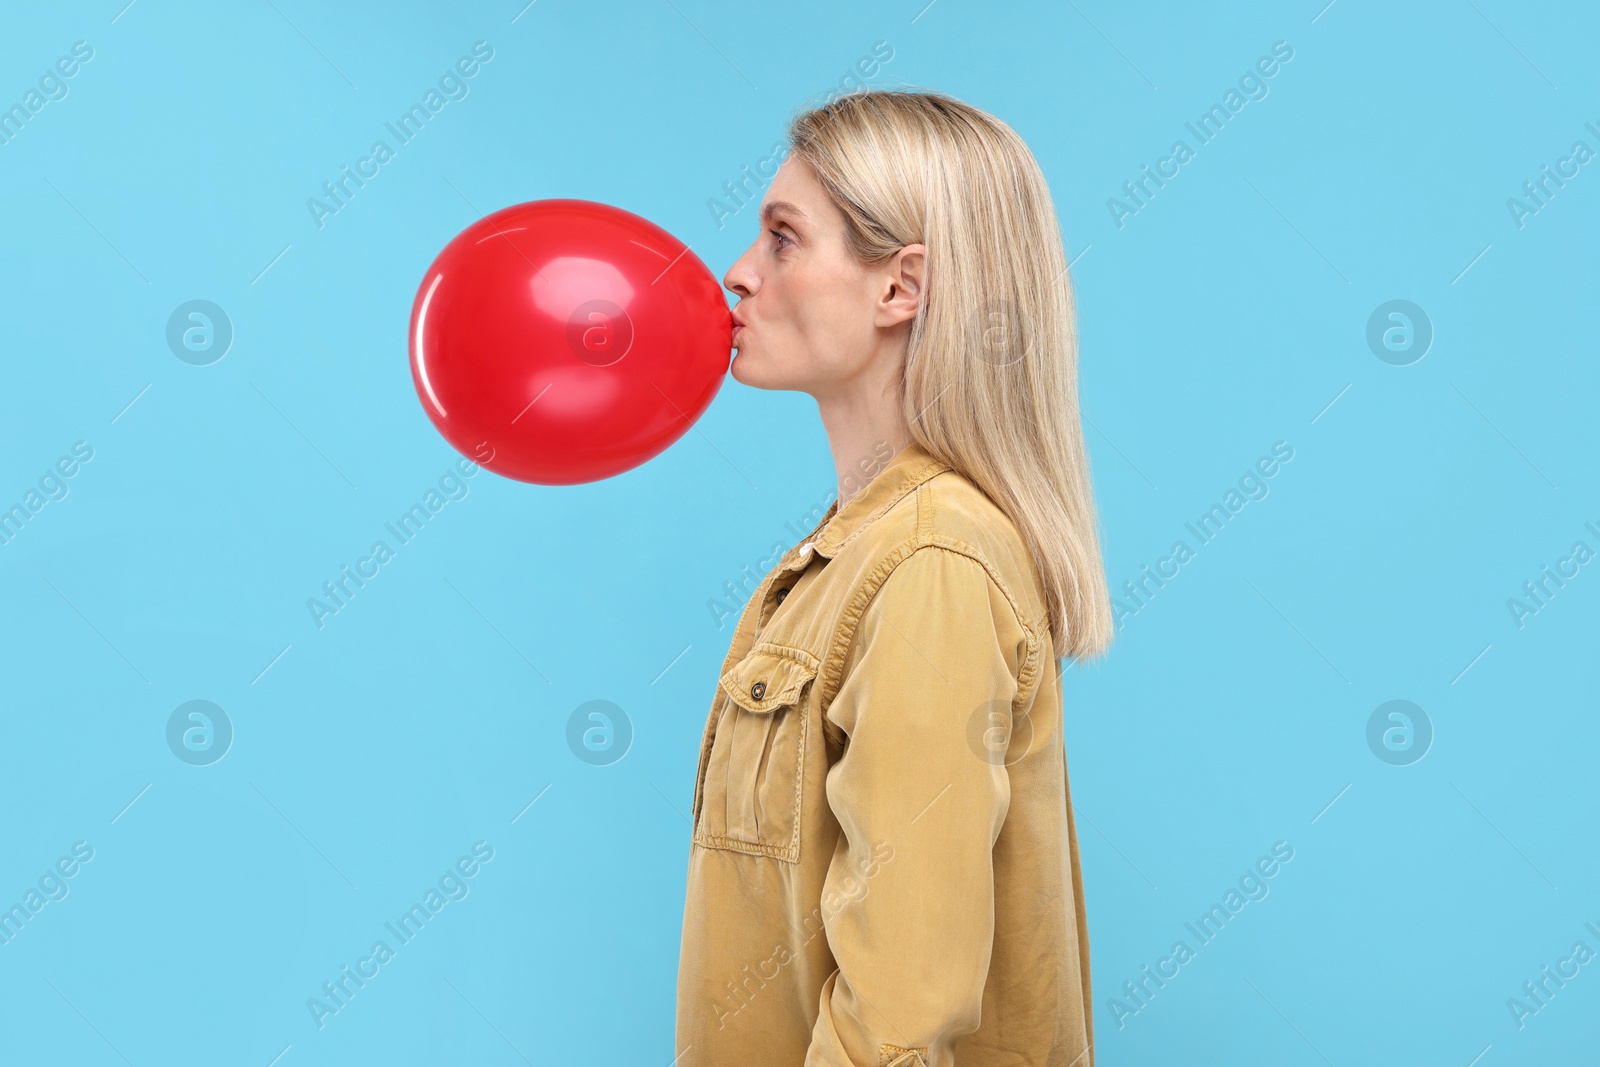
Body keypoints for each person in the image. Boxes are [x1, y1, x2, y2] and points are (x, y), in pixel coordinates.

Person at [676, 87, 1114, 1067]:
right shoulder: (855, 553)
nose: (737, 275)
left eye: (783, 240)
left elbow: (902, 1009)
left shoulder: (929, 564)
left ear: (898, 287)